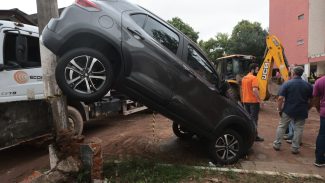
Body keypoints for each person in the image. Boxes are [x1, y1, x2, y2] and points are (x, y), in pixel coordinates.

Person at [273, 66, 313, 154]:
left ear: (293, 73)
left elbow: (280, 98)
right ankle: (295, 148)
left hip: (288, 109)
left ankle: (277, 144)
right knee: (299, 129)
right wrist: (307, 108)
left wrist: (280, 109)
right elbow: (311, 100)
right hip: (302, 110)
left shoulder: (287, 84)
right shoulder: (308, 85)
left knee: (282, 126)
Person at [241, 63, 264, 141]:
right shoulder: (254, 78)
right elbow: (255, 90)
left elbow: (242, 90)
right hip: (253, 102)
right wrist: (260, 100)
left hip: (245, 101)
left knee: (248, 119)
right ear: (253, 69)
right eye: (257, 69)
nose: (257, 71)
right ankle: (254, 136)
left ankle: (247, 135)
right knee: (254, 119)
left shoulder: (244, 78)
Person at [312, 74, 325, 167]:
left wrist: (319, 109)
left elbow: (315, 99)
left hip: (324, 113)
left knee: (322, 134)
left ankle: (319, 159)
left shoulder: (320, 81)